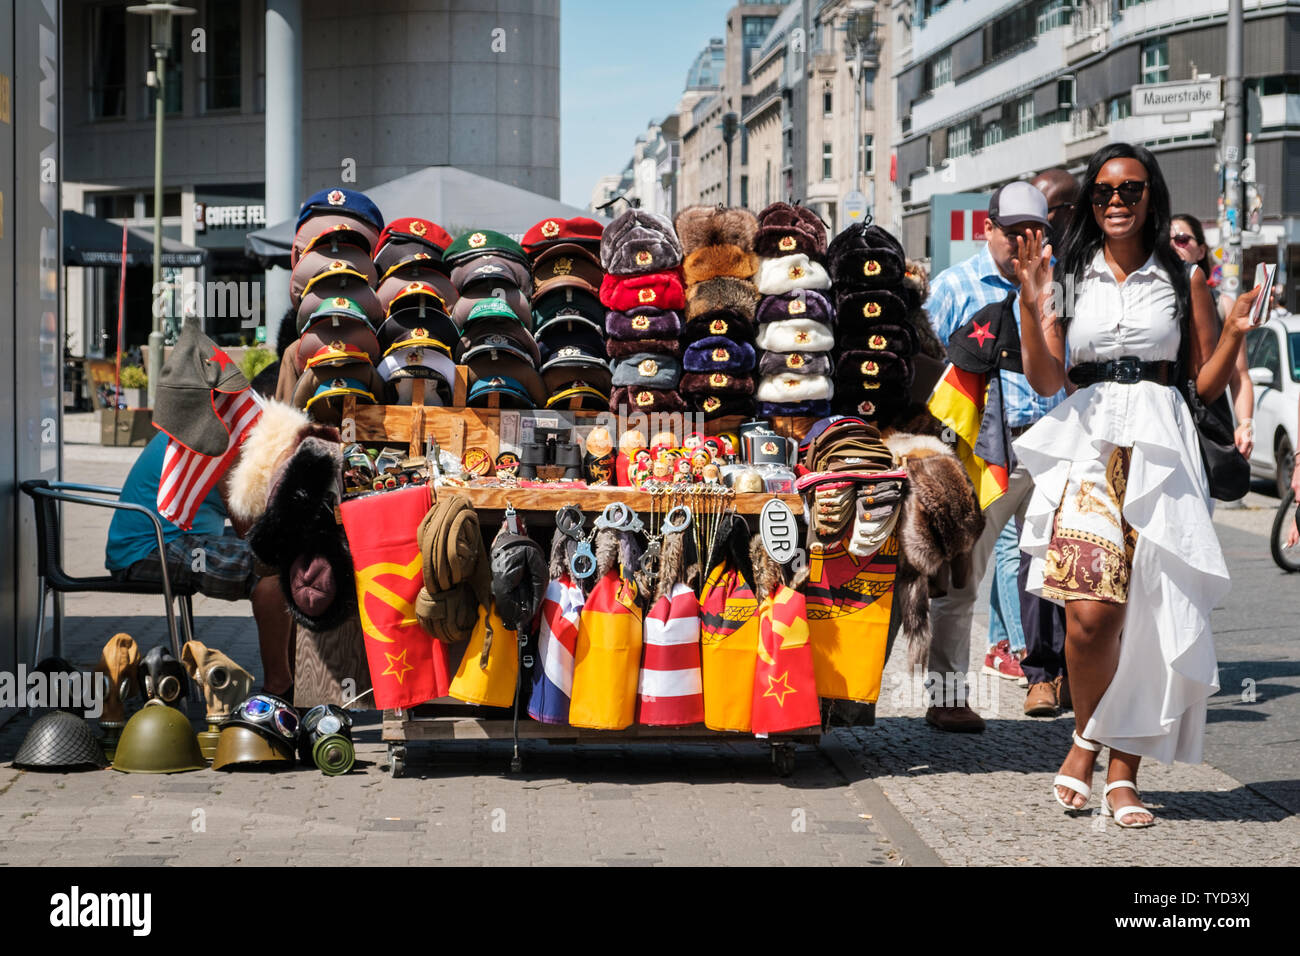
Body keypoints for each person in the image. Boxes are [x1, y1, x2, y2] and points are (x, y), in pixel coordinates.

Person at [1012, 142, 1259, 827]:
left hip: (1162, 445)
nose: (1116, 202)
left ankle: (1119, 771)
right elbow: (1045, 379)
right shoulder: (1067, 274)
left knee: (1150, 614)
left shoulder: (1183, 278)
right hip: (1089, 443)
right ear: (1090, 203)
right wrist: (1035, 305)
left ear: (1152, 197)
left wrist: (1235, 334)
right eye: (1103, 193)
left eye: (1130, 190)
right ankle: (1088, 733)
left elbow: (1202, 382)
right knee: (1089, 616)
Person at [922, 180, 1066, 732]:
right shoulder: (954, 286)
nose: (1023, 245)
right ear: (988, 229)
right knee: (962, 576)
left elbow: (1072, 367)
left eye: (1036, 233)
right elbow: (926, 366)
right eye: (1013, 234)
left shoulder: (1059, 288)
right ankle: (947, 695)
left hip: (1052, 443)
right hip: (981, 452)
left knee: (1059, 570)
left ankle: (1052, 678)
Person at [105, 409, 295, 697]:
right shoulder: (222, 438)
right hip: (149, 548)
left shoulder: (212, 423)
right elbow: (247, 524)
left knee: (293, 557)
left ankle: (297, 678)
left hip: (174, 537)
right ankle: (280, 687)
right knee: (272, 568)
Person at [1170, 214, 1254, 459]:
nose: (1174, 245)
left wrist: (1246, 424)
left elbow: (1240, 377)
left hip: (1205, 427)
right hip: (1160, 421)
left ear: (1201, 251)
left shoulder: (1222, 305)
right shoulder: (1151, 299)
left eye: (1182, 239)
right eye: (1166, 241)